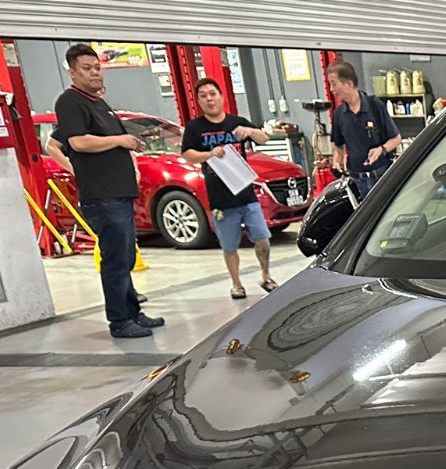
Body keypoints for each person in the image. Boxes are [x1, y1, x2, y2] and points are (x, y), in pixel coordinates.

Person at [52, 45, 162, 339]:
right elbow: (78, 142)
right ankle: (119, 321)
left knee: (125, 257)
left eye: (97, 67)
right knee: (115, 260)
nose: (94, 73)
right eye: (86, 68)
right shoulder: (70, 102)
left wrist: (130, 144)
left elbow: (111, 140)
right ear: (72, 72)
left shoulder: (98, 103)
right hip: (102, 196)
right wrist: (119, 141)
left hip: (119, 193)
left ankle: (133, 313)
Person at [180, 79, 278, 299]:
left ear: (222, 96)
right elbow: (187, 153)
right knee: (229, 245)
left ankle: (266, 275)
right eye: (203, 96)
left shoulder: (236, 122)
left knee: (262, 238)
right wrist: (208, 154)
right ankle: (236, 283)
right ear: (198, 101)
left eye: (212, 94)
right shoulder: (195, 128)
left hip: (246, 193)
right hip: (220, 198)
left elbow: (264, 138)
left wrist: (249, 131)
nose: (209, 99)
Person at [324, 59, 401, 199]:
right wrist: (336, 160)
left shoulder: (374, 106)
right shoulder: (339, 114)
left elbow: (396, 139)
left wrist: (381, 150)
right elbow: (338, 146)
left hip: (381, 178)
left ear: (348, 84)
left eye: (334, 84)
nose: (331, 89)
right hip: (357, 182)